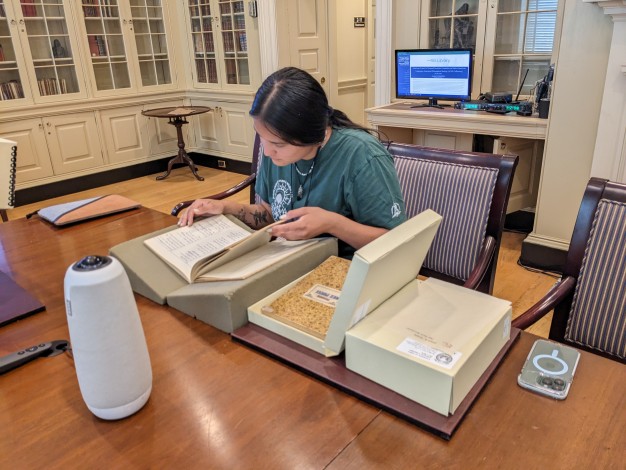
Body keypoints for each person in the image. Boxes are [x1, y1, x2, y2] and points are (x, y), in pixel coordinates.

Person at [178, 67, 406, 257]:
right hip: (287, 263)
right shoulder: (276, 153)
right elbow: (270, 214)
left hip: (346, 272)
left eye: (278, 144)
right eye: (262, 138)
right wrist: (226, 208)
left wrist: (332, 223)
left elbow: (396, 244)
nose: (267, 152)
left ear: (314, 135)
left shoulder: (361, 156)